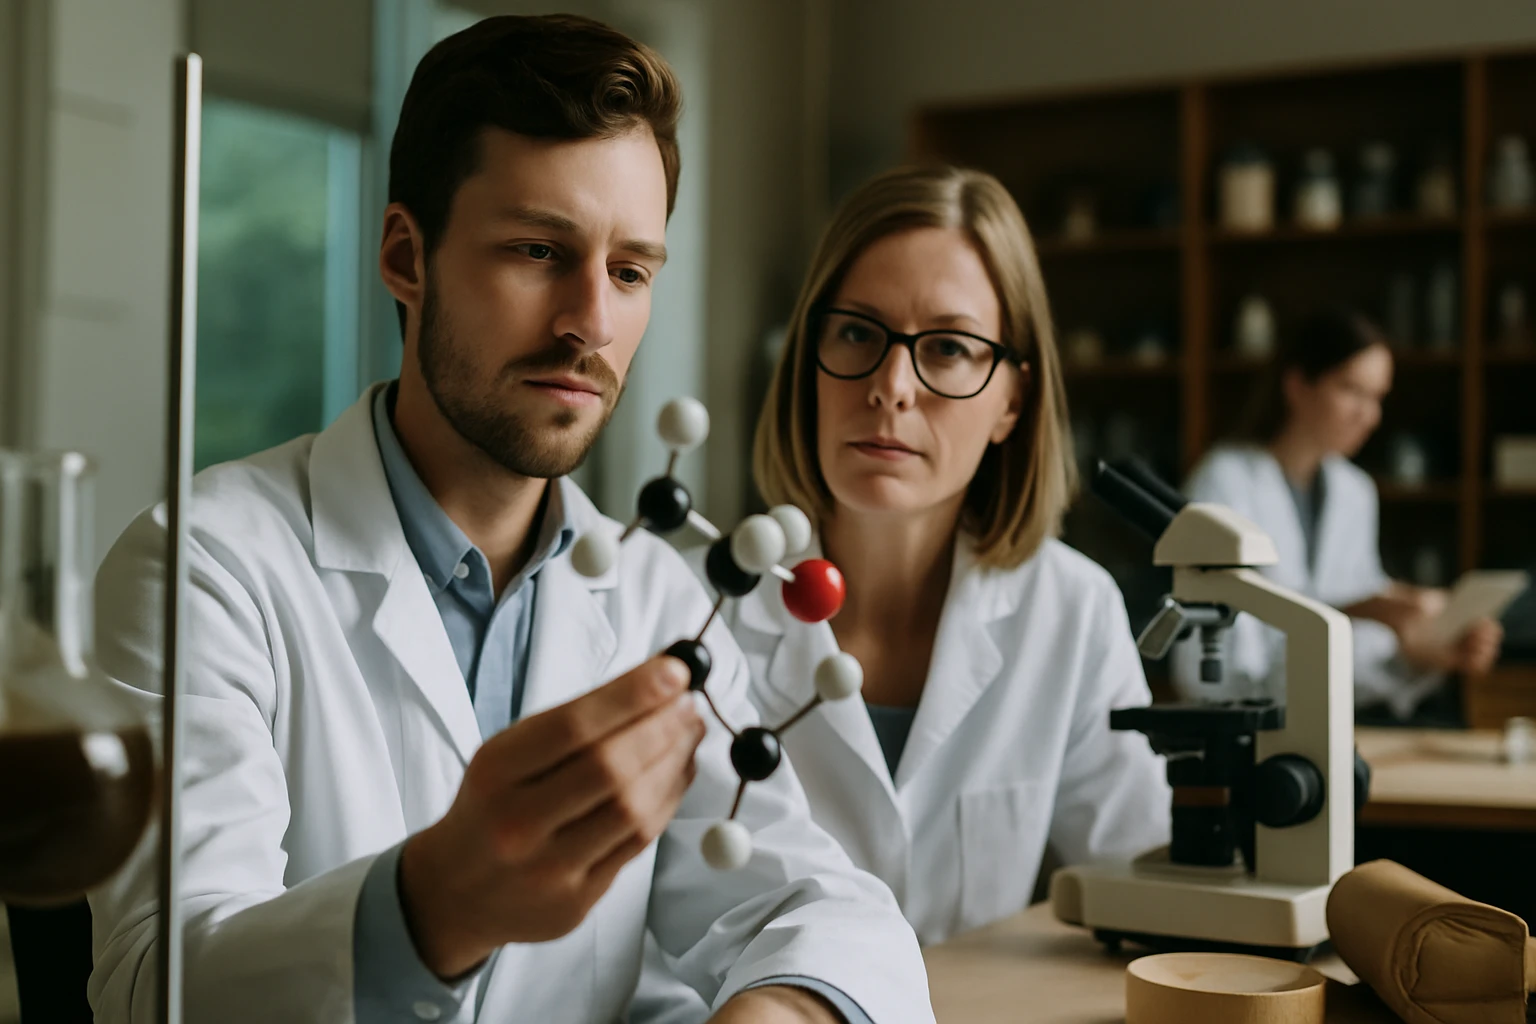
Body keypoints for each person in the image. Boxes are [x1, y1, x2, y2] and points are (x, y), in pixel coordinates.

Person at [85, 16, 931, 1024]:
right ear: (406, 254)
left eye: (629, 271)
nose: (590, 323)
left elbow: (814, 902)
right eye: (539, 250)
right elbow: (155, 987)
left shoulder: (661, 600)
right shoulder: (206, 565)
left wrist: (784, 1011)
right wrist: (435, 903)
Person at [694, 164, 1170, 946]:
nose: (890, 386)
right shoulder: (701, 609)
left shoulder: (1072, 612)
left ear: (1012, 399)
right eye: (856, 332)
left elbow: (1138, 891)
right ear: (810, 356)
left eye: (946, 348)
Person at [1175, 308, 1504, 719]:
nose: (1369, 416)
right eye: (1352, 390)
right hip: (1246, 733)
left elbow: (1358, 656)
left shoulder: (1354, 492)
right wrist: (1369, 611)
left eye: (1378, 397)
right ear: (1297, 386)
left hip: (1334, 724)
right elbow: (1228, 673)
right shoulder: (1223, 484)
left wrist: (1424, 650)